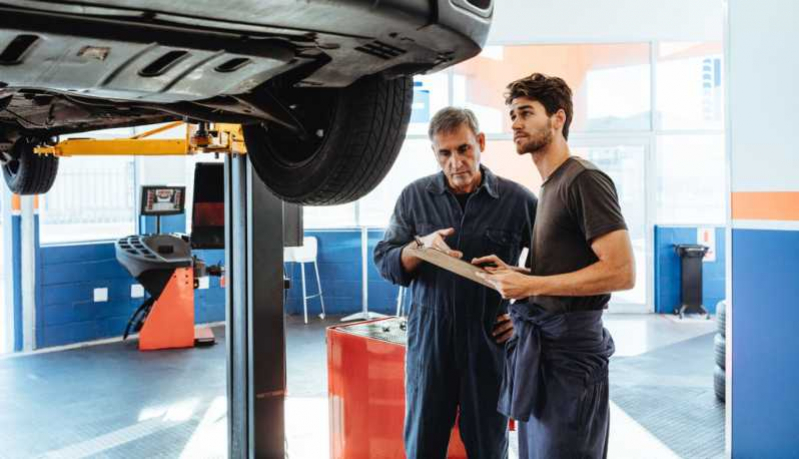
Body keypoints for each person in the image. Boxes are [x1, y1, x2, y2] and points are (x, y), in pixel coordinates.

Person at [474, 73, 636, 459]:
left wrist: (530, 287)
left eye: (526, 112)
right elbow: (564, 271)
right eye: (512, 114)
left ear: (558, 119)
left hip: (572, 362)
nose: (514, 123)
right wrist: (519, 274)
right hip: (544, 357)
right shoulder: (548, 188)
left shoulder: (585, 180)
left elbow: (622, 271)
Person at [374, 107, 537, 459]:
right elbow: (385, 261)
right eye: (445, 153)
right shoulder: (414, 197)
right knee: (423, 443)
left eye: (463, 149)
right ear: (434, 153)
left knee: (489, 446)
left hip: (488, 343)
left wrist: (524, 316)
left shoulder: (518, 201)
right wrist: (418, 249)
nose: (456, 162)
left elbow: (548, 271)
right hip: (430, 343)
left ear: (479, 143)